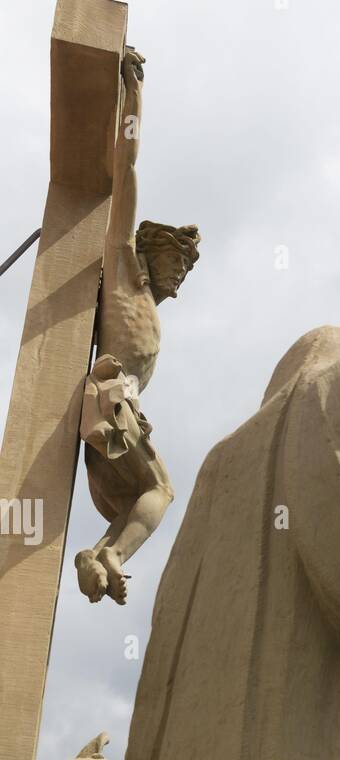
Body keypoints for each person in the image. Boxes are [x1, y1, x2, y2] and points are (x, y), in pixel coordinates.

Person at [75, 47, 199, 605]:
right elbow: (124, 169)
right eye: (180, 263)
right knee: (163, 489)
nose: (183, 277)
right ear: (155, 254)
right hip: (108, 397)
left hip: (121, 409)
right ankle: (110, 556)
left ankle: (99, 557)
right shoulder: (125, 264)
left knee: (143, 500)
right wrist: (133, 90)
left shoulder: (147, 301)